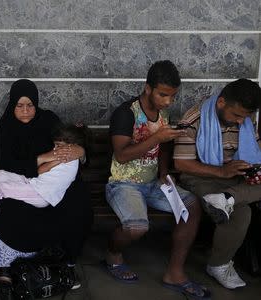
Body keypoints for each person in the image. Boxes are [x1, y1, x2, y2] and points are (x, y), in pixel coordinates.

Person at [105, 60, 210, 299]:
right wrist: (157, 137)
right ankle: (112, 254)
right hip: (123, 183)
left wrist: (164, 173)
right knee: (138, 227)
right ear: (147, 88)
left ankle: (174, 272)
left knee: (192, 205)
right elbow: (121, 156)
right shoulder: (126, 113)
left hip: (153, 183)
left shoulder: (163, 112)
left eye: (172, 96)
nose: (168, 102)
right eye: (163, 95)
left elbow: (163, 149)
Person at [0, 79, 92, 300]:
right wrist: (43, 158)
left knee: (78, 203)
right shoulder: (6, 126)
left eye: (30, 105)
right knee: (7, 207)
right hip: (26, 180)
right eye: (19, 105)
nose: (25, 110)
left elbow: (70, 142)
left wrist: (80, 151)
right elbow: (5, 163)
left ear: (37, 104)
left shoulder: (49, 120)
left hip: (53, 183)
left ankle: (64, 264)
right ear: (12, 105)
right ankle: (4, 271)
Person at [174, 78, 261, 289]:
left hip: (237, 178)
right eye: (237, 115)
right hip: (201, 177)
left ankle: (228, 197)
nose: (242, 122)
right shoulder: (194, 118)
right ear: (221, 102)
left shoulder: (246, 121)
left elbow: (256, 153)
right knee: (241, 214)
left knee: (235, 202)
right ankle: (219, 265)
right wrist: (222, 171)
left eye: (246, 116)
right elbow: (182, 165)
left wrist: (254, 170)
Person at [0, 124, 89, 237]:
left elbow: (41, 170)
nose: (55, 149)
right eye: (55, 145)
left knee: (1, 188)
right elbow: (39, 171)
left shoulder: (66, 157)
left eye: (59, 145)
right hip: (34, 183)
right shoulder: (63, 154)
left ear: (71, 146)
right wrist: (49, 159)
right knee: (0, 174)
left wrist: (51, 159)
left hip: (41, 194)